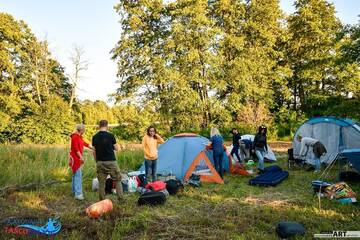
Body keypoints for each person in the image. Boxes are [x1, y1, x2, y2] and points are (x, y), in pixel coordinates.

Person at [92, 120, 123, 201]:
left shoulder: (94, 137)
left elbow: (94, 152)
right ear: (107, 126)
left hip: (100, 162)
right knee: (117, 180)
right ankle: (120, 199)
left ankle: (102, 200)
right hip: (111, 162)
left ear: (99, 126)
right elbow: (117, 149)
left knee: (101, 183)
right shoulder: (111, 135)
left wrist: (97, 161)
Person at [69, 124, 92, 200]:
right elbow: (76, 149)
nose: (84, 132)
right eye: (84, 130)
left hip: (76, 158)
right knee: (78, 175)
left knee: (75, 175)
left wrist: (93, 148)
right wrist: (81, 157)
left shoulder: (79, 137)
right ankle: (78, 194)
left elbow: (84, 144)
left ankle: (74, 191)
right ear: (81, 130)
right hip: (75, 158)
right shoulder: (75, 137)